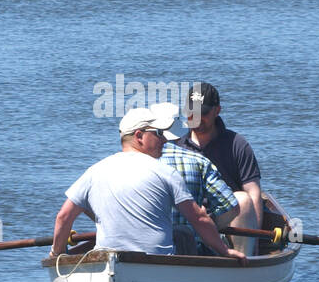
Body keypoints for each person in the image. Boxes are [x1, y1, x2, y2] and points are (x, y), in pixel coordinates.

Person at [50, 107, 245, 259]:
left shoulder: (93, 172)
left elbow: (63, 217)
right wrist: (225, 252)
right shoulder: (165, 173)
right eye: (158, 133)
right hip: (157, 264)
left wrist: (57, 255)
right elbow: (199, 219)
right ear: (139, 136)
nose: (164, 139)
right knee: (184, 233)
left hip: (107, 259)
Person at [177, 83, 262, 254]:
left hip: (225, 218)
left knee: (243, 200)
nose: (197, 118)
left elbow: (254, 194)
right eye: (191, 113)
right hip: (190, 217)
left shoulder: (237, 144)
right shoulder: (175, 146)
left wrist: (257, 236)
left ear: (217, 110)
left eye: (204, 113)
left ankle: (244, 260)